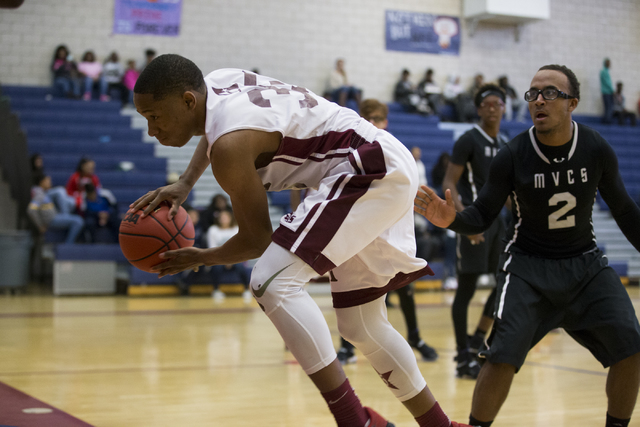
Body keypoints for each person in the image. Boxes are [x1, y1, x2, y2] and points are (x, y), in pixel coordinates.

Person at [129, 54, 472, 427]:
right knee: (361, 324)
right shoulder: (216, 81)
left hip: (363, 168)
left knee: (270, 282)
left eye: (154, 116)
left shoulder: (231, 148)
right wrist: (186, 181)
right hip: (380, 160)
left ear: (188, 101)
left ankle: (355, 420)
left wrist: (199, 257)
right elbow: (213, 130)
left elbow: (257, 240)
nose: (151, 131)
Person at [415, 64, 640, 427]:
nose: (539, 100)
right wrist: (451, 219)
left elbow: (626, 210)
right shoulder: (514, 154)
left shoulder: (596, 147)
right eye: (533, 93)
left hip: (585, 266)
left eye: (550, 93)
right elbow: (482, 214)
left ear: (572, 104)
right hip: (528, 268)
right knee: (500, 357)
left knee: (631, 346)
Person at [335, 99, 438, 365]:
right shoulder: (351, 153)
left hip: (390, 230)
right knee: (349, 289)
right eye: (367, 118)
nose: (372, 123)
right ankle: (346, 347)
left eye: (377, 119)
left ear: (385, 122)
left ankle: (415, 338)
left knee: (405, 291)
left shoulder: (396, 152)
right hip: (359, 231)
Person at [441, 84, 508, 379]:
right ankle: (461, 356)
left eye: (498, 104)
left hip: (498, 224)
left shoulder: (506, 143)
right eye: (487, 104)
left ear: (504, 108)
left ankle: (478, 338)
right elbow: (450, 182)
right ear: (479, 109)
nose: (492, 108)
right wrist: (465, 221)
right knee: (466, 291)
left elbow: (507, 191)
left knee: (505, 282)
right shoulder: (468, 139)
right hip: (474, 220)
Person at [207, 209, 252, 303]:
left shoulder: (236, 229)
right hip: (218, 259)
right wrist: (224, 260)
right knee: (216, 268)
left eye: (226, 217)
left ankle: (246, 290)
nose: (224, 219)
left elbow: (239, 248)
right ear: (218, 219)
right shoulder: (213, 230)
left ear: (231, 218)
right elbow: (212, 248)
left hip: (235, 258)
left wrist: (231, 260)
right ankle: (216, 290)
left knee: (241, 267)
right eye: (222, 217)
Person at [28, 173, 84, 244]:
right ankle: (68, 244)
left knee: (63, 193)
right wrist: (40, 226)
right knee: (78, 221)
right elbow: (31, 210)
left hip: (55, 215)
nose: (50, 183)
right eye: (48, 181)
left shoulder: (44, 192)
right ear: (42, 182)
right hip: (52, 220)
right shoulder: (39, 194)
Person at [600, 58, 614, 124]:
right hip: (608, 92)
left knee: (606, 107)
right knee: (609, 107)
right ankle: (608, 121)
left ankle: (606, 120)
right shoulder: (604, 72)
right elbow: (607, 83)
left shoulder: (604, 72)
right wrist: (612, 90)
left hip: (604, 92)